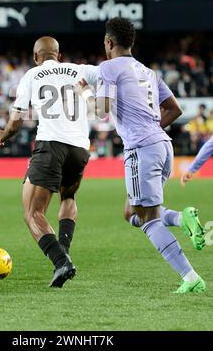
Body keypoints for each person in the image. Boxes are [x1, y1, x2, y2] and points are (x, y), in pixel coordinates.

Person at [77, 17, 206, 294]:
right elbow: (174, 109)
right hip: (162, 146)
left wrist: (86, 91)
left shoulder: (109, 68)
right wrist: (150, 129)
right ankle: (182, 219)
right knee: (130, 213)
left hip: (142, 149)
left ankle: (190, 276)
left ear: (108, 42)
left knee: (148, 220)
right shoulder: (147, 71)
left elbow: (101, 111)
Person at [0, 36, 97, 288]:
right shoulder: (81, 70)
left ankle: (61, 262)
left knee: (32, 212)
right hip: (80, 147)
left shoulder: (32, 75)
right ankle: (64, 251)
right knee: (68, 198)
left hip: (51, 145)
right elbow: (98, 103)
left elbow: (16, 121)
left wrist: (3, 135)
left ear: (36, 57)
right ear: (59, 55)